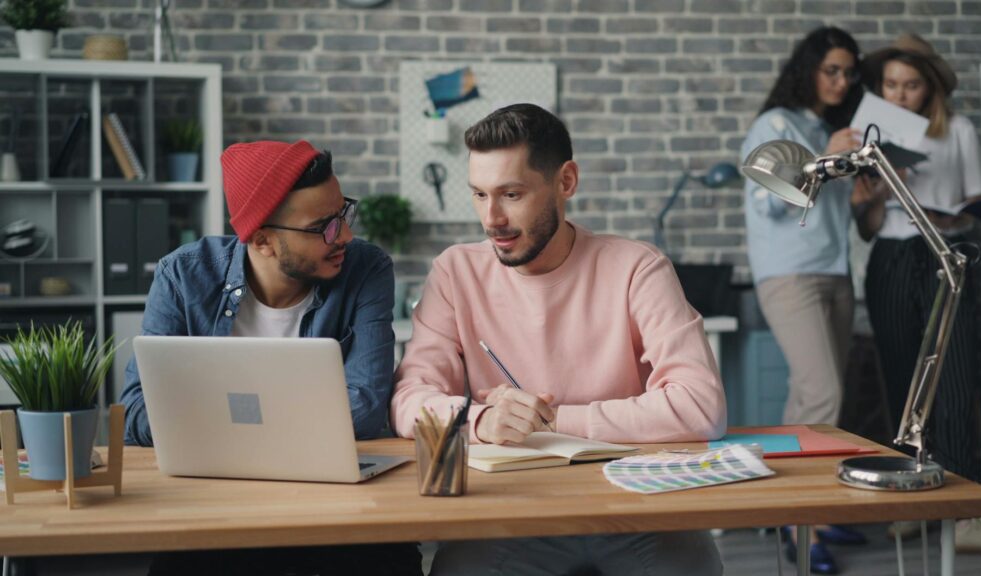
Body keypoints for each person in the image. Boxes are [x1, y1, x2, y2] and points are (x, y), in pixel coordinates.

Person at [391, 103, 727, 575]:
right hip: (509, 512)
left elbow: (701, 406)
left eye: (511, 194)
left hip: (638, 507)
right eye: (479, 194)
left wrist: (553, 421)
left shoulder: (637, 268)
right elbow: (408, 399)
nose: (492, 218)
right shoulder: (455, 272)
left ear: (565, 181)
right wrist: (483, 420)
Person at [119, 140, 421, 576]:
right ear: (262, 240)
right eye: (324, 227)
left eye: (343, 214)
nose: (345, 236)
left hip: (337, 501)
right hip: (215, 503)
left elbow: (367, 406)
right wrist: (294, 424)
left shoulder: (365, 268)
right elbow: (135, 413)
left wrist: (215, 422)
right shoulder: (183, 275)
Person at [855, 34, 981, 556]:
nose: (900, 95)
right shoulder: (871, 137)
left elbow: (978, 200)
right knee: (902, 384)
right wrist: (875, 192)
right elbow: (867, 228)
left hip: (944, 258)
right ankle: (911, 503)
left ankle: (967, 513)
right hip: (890, 259)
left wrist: (950, 219)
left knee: (951, 384)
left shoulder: (959, 131)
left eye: (910, 85)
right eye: (891, 85)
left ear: (929, 87)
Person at [740, 26, 867, 575]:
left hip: (835, 271)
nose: (841, 81)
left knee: (811, 399)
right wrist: (822, 159)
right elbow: (766, 202)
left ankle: (799, 509)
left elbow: (841, 217)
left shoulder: (826, 128)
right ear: (808, 69)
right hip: (789, 274)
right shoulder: (776, 125)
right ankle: (800, 523)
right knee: (822, 393)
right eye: (831, 70)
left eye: (848, 72)